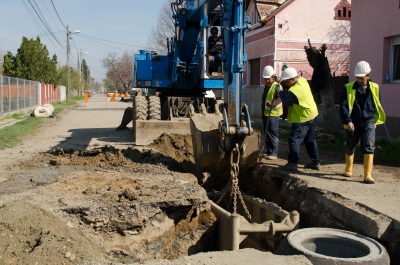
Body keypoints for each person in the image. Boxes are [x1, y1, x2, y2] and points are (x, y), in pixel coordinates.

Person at [339, 61, 386, 184]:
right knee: (350, 145)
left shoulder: (375, 88)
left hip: (369, 120)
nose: (359, 80)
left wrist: (375, 121)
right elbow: (343, 106)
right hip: (353, 121)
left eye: (362, 77)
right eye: (358, 77)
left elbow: (377, 104)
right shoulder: (348, 87)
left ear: (368, 76)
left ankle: (367, 175)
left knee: (369, 145)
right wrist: (348, 121)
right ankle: (349, 169)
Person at [274, 67, 321, 172]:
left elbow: (286, 102)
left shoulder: (295, 90)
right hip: (313, 114)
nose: (285, 83)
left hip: (303, 118)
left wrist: (280, 91)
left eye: (286, 81)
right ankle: (315, 162)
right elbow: (295, 75)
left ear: (293, 79)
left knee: (294, 140)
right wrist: (286, 69)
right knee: (310, 140)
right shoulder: (302, 80)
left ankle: (292, 164)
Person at [261, 66, 282, 160]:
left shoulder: (277, 86)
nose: (266, 80)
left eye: (267, 78)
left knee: (273, 133)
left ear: (272, 77)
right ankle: (269, 151)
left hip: (273, 114)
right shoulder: (267, 86)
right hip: (266, 113)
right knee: (267, 133)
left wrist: (272, 104)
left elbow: (280, 98)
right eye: (265, 78)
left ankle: (274, 153)